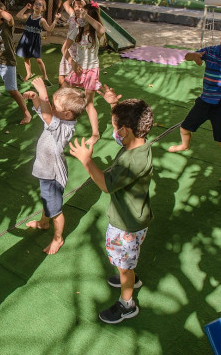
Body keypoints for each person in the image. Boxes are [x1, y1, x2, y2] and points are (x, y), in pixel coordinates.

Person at [69, 84, 154, 323]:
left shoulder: (131, 162)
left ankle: (127, 303)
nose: (115, 131)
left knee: (124, 265)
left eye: (116, 126)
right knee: (125, 260)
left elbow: (106, 185)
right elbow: (123, 133)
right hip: (135, 219)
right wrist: (114, 105)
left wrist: (87, 161)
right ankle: (129, 274)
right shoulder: (139, 142)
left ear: (126, 130)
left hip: (126, 224)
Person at [168, 20, 221, 183]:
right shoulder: (210, 51)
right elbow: (187, 56)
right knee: (184, 128)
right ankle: (184, 145)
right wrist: (194, 56)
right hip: (205, 101)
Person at [23, 78, 86, 254]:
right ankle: (44, 222)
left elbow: (46, 115)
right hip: (46, 171)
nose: (50, 107)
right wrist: (36, 98)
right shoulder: (57, 119)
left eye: (55, 106)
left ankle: (58, 238)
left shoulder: (64, 127)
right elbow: (43, 113)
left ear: (67, 114)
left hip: (52, 175)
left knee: (55, 210)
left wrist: (43, 92)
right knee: (47, 200)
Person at [0, 1, 32, 125]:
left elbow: (8, 17)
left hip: (7, 61)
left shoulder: (7, 24)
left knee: (12, 90)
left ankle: (26, 113)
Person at [62, 2, 106, 146]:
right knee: (63, 91)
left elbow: (101, 29)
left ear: (90, 17)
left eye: (83, 14)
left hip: (91, 69)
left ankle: (95, 134)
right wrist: (73, 63)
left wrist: (86, 16)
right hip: (78, 68)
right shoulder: (77, 30)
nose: (79, 16)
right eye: (79, 14)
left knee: (89, 103)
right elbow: (64, 49)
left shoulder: (96, 33)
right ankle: (62, 120)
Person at [15, 0, 61, 83]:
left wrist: (55, 20)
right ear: (33, 6)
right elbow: (18, 16)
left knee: (38, 59)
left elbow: (49, 29)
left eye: (40, 5)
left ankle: (45, 77)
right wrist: (25, 8)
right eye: (36, 4)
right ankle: (29, 74)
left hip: (35, 41)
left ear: (43, 9)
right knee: (26, 57)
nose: (37, 5)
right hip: (26, 39)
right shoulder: (29, 15)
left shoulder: (42, 20)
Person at [58, 0, 88, 87]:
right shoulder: (72, 14)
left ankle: (72, 91)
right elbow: (65, 4)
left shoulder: (86, 20)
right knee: (61, 76)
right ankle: (63, 90)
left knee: (74, 77)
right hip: (69, 47)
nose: (77, 8)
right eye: (75, 6)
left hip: (78, 50)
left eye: (80, 6)